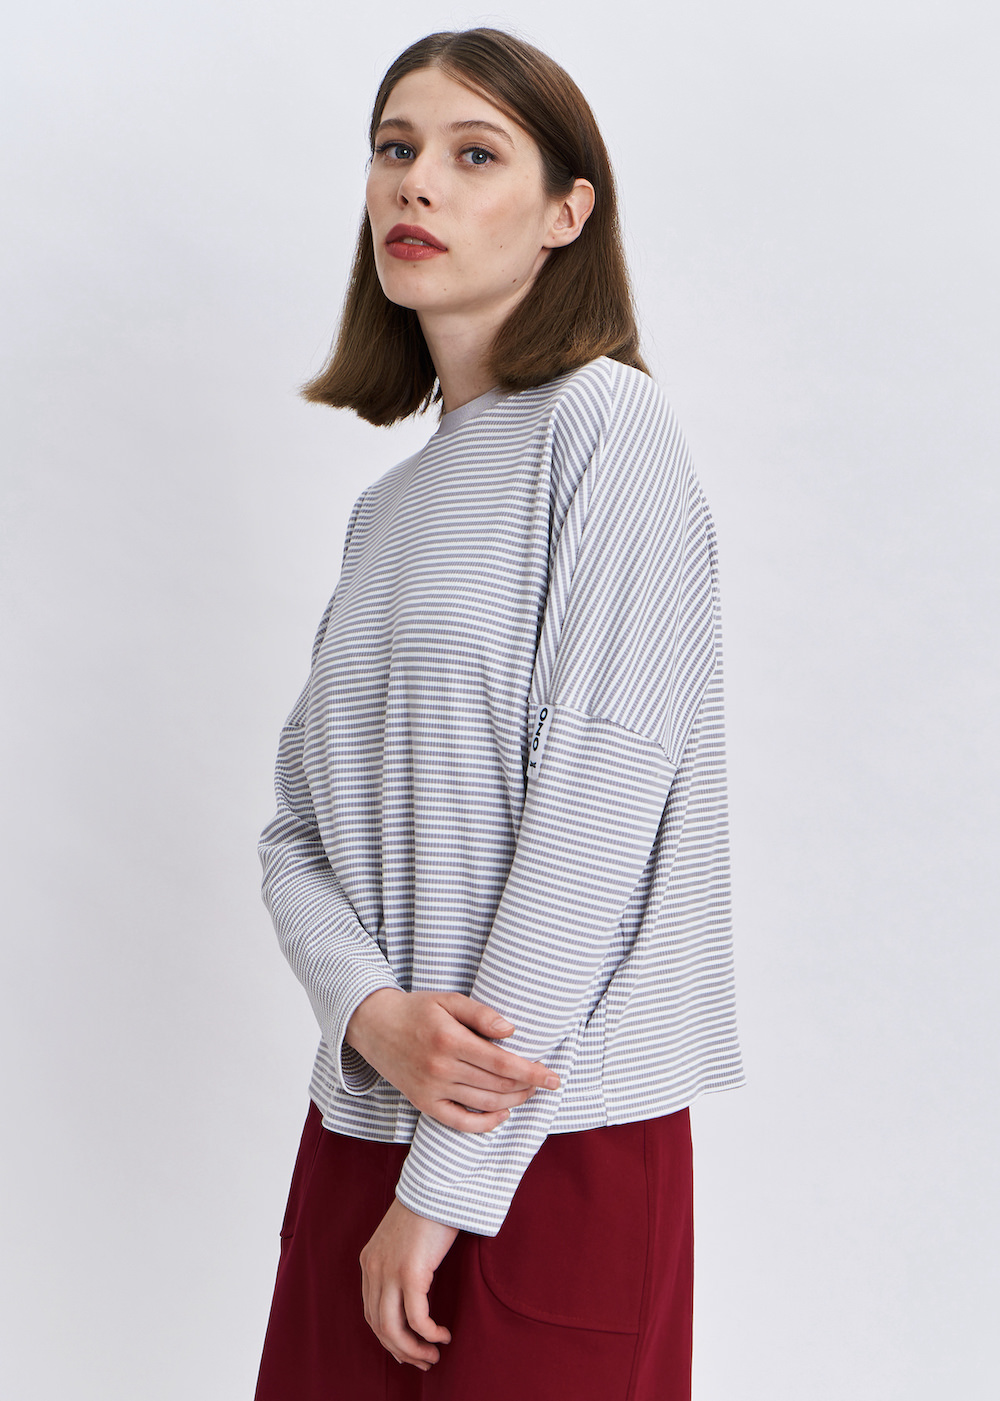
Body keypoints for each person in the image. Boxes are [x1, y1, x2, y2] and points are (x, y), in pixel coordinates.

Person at [254, 27, 743, 1401]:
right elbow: (296, 833)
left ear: (566, 213)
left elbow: (601, 808)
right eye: (395, 148)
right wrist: (370, 1013)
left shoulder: (608, 429)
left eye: (476, 155)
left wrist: (448, 1178)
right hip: (362, 1118)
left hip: (551, 1138)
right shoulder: (388, 508)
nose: (417, 183)